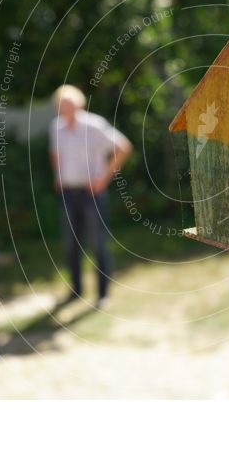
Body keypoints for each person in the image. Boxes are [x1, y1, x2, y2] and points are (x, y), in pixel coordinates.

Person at [50, 85, 132, 308]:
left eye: (68, 102)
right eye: (61, 103)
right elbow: (55, 154)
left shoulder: (94, 125)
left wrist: (104, 177)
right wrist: (58, 176)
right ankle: (75, 290)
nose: (64, 107)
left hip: (91, 193)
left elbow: (123, 147)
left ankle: (102, 294)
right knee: (70, 244)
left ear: (79, 103)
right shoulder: (56, 128)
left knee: (98, 243)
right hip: (68, 193)